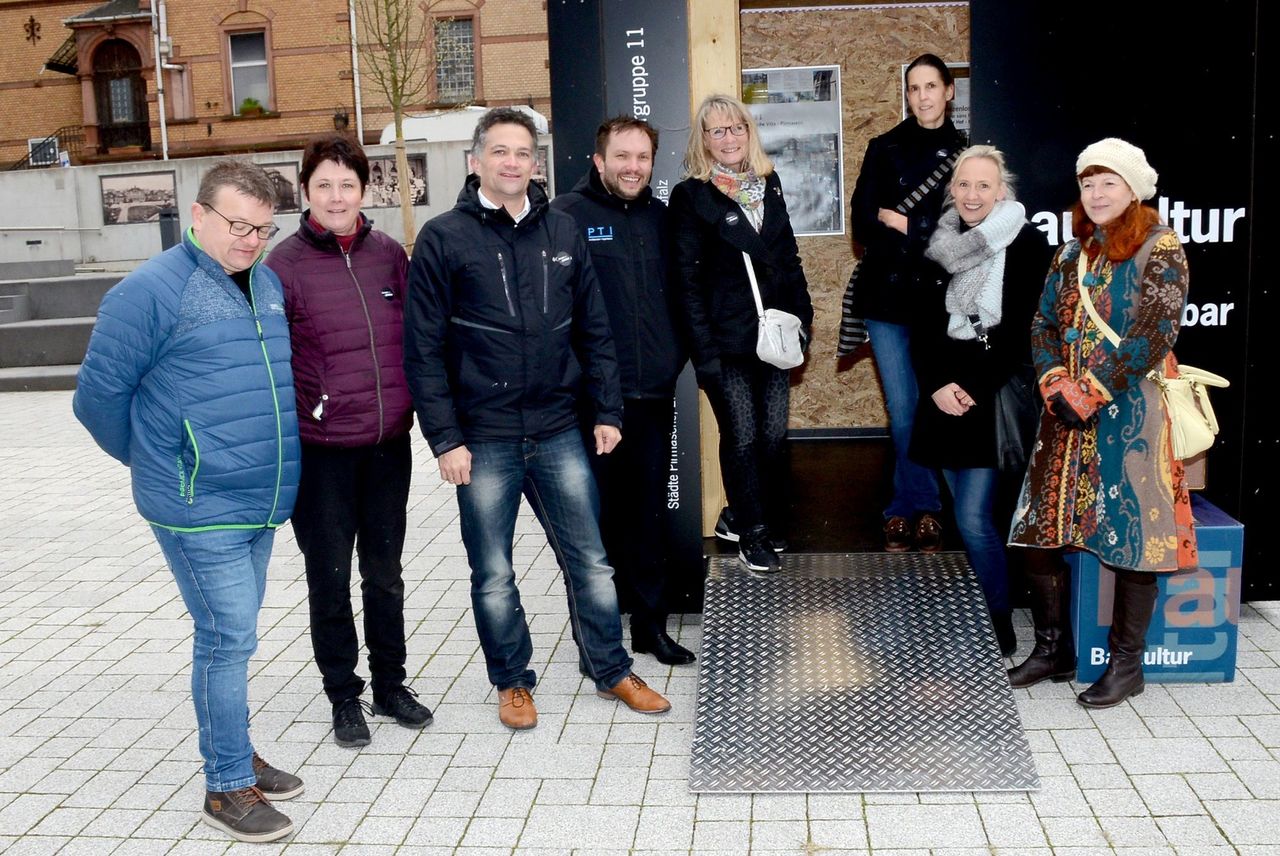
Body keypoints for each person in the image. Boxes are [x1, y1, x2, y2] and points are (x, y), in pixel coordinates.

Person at [403, 107, 671, 731]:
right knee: (494, 571)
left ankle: (610, 669)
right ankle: (512, 681)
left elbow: (594, 329)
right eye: (500, 151)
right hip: (483, 436)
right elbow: (422, 351)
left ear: (536, 163)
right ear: (476, 162)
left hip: (557, 429)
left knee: (591, 560)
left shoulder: (563, 230)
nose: (512, 162)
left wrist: (605, 410)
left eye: (523, 152)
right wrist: (445, 438)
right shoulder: (444, 239)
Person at [73, 160, 303, 843]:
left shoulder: (263, 283)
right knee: (227, 637)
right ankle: (227, 785)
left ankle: (237, 749)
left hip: (258, 499)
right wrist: (164, 462)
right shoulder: (146, 293)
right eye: (237, 225)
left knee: (236, 637)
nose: (251, 240)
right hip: (198, 505)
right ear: (197, 215)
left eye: (262, 228)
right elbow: (97, 401)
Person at [1007, 138, 1198, 708]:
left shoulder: (1160, 247)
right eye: (1088, 183)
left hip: (1131, 415)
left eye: (1107, 182)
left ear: (1133, 189)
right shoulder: (1070, 254)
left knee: (1133, 540)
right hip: (1062, 413)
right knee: (1039, 532)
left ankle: (1126, 666)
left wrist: (1091, 390)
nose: (1095, 194)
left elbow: (1157, 330)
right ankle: (1052, 651)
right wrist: (1053, 383)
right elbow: (1041, 323)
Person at [266, 133, 432, 749]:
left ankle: (391, 684)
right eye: (323, 185)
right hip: (322, 452)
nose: (337, 197)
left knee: (384, 575)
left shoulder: (390, 254)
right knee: (329, 577)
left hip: (388, 446)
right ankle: (344, 695)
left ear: (365, 190)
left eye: (348, 184)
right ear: (304, 192)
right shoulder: (281, 267)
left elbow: (417, 343)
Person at [551, 116, 694, 666]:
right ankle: (598, 640)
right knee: (593, 526)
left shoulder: (663, 219)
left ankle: (650, 629)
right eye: (622, 157)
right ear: (598, 159)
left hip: (652, 398)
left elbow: (681, 300)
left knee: (647, 518)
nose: (632, 167)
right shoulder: (565, 217)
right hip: (587, 405)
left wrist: (669, 359)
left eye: (642, 158)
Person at [910, 145, 1054, 656]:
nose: (972, 195)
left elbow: (1024, 331)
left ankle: (1000, 621)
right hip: (943, 391)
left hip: (989, 394)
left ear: (1002, 191)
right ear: (953, 189)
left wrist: (970, 387)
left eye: (983, 186)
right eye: (964, 184)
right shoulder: (940, 240)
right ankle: (989, 602)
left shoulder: (1029, 244)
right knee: (963, 515)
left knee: (974, 518)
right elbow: (922, 325)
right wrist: (936, 385)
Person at [669, 94, 814, 574]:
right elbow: (685, 283)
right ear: (704, 141)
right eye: (717, 131)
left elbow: (789, 259)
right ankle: (754, 531)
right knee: (742, 435)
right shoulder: (692, 196)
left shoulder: (768, 185)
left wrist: (804, 321)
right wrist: (703, 353)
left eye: (736, 128)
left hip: (772, 338)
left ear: (748, 133)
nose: (728, 138)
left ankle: (736, 513)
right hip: (724, 343)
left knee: (772, 437)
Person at [849, 53, 967, 553]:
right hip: (886, 299)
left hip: (942, 303)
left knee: (932, 406)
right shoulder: (884, 147)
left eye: (931, 86)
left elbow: (967, 230)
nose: (922, 96)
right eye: (914, 88)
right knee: (903, 409)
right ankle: (924, 507)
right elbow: (861, 223)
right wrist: (926, 230)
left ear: (949, 92)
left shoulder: (969, 154)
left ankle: (904, 506)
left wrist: (902, 223)